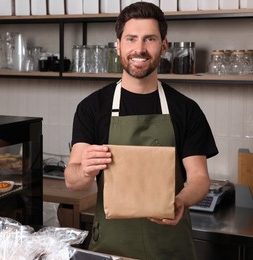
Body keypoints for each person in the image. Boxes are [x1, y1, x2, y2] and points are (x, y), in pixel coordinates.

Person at [64, 2, 218, 259]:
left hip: (170, 247)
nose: (140, 49)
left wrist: (181, 201)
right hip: (112, 247)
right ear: (118, 45)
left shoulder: (185, 109)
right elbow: (73, 181)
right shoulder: (92, 107)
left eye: (150, 39)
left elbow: (200, 179)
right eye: (131, 39)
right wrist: (86, 169)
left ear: (164, 46)